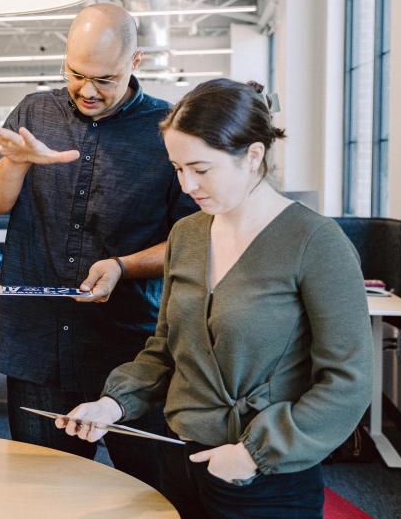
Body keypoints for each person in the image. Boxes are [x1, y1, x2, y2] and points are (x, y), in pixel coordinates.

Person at [57, 79, 374, 518]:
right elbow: (165, 349)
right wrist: (113, 403)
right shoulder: (187, 235)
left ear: (253, 156)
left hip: (266, 476)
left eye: (201, 169)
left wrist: (254, 454)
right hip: (179, 457)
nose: (187, 185)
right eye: (177, 169)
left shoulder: (316, 242)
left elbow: (348, 381)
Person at [0, 3, 195, 485]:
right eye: (76, 74)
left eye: (105, 80)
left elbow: (191, 240)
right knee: (43, 494)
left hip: (127, 351)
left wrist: (122, 266)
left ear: (135, 63)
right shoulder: (34, 112)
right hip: (36, 348)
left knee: (153, 489)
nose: (88, 91)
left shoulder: (168, 131)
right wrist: (16, 163)